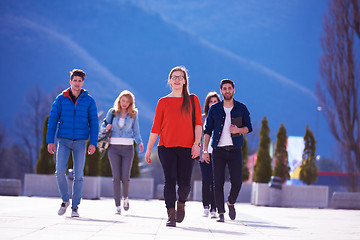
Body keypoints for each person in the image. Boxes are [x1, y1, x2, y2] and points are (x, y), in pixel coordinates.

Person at [145, 66, 202, 227]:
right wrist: (149, 148)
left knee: (184, 184)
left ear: (185, 81)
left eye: (180, 77)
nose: (177, 80)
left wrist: (197, 144)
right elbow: (156, 128)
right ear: (169, 81)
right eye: (174, 77)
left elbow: (198, 124)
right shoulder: (163, 102)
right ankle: (170, 214)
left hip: (187, 147)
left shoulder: (193, 100)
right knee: (169, 181)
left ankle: (181, 203)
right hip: (166, 147)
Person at [47, 69, 99, 218]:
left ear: (83, 82)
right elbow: (52, 121)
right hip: (63, 140)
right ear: (70, 81)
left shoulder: (89, 100)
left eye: (80, 81)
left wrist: (93, 143)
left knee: (79, 175)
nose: (77, 83)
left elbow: (94, 123)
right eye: (74, 80)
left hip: (81, 142)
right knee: (60, 172)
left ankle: (75, 207)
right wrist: (50, 141)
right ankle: (65, 200)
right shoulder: (60, 99)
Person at [202, 79, 252, 222]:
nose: (227, 91)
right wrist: (205, 150)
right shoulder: (214, 109)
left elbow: (249, 127)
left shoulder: (241, 108)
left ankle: (230, 202)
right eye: (224, 88)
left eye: (230, 88)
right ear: (221, 91)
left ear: (233, 90)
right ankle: (221, 213)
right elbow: (208, 131)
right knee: (217, 183)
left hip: (235, 150)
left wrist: (239, 130)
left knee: (237, 182)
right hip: (218, 150)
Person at [101, 90, 144, 214]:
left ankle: (125, 197)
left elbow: (136, 131)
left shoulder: (134, 114)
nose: (124, 103)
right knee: (116, 177)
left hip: (128, 148)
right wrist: (106, 128)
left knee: (125, 177)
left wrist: (139, 142)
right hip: (113, 148)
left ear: (131, 103)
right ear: (119, 100)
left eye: (127, 102)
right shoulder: (112, 112)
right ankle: (117, 206)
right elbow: (103, 125)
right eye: (123, 100)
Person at [199, 92, 220, 218]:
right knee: (206, 180)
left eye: (215, 101)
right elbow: (198, 135)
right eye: (211, 101)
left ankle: (214, 208)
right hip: (204, 153)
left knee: (215, 181)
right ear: (207, 104)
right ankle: (205, 206)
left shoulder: (222, 117)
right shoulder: (202, 118)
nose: (213, 104)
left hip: (218, 153)